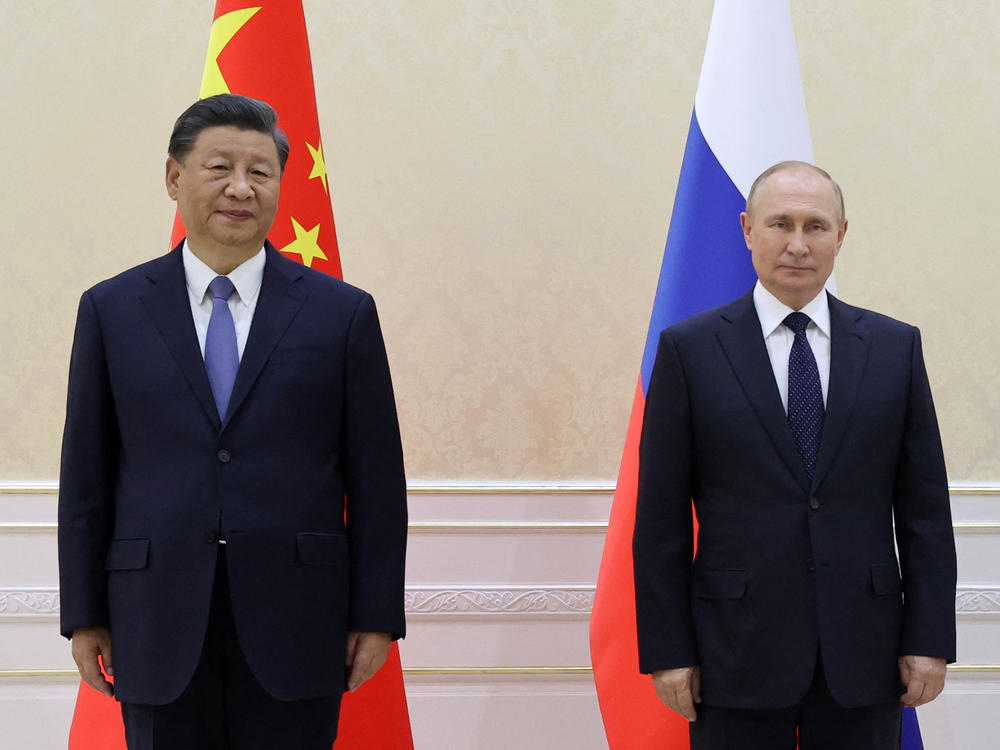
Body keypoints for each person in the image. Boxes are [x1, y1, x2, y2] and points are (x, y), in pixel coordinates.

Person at [57, 94, 407, 749]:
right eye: (220, 167)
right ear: (174, 178)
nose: (241, 188)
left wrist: (378, 614)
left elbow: (378, 480)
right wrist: (82, 615)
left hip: (299, 619)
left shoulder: (342, 314)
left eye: (261, 172)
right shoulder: (112, 310)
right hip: (155, 617)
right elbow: (86, 478)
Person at [633, 161, 956, 749]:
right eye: (780, 223)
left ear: (841, 234)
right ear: (747, 229)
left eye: (816, 226)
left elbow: (925, 512)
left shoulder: (894, 348)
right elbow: (660, 521)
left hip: (865, 652)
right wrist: (668, 650)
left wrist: (929, 638)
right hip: (733, 653)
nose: (798, 244)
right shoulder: (690, 350)